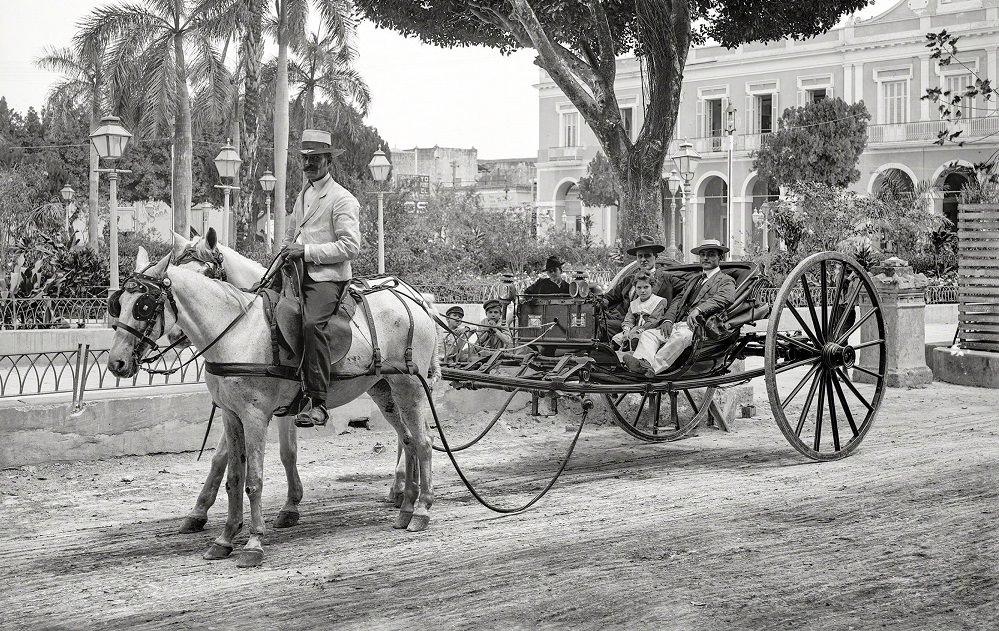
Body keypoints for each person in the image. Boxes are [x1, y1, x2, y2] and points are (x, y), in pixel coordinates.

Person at [282, 129, 361, 428]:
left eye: (315, 159)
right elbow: (293, 232)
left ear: (329, 161)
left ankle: (318, 402)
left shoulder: (342, 199)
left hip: (327, 277)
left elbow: (350, 247)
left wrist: (305, 251)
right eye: (304, 159)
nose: (308, 165)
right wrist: (284, 254)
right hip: (298, 270)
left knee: (311, 324)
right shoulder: (305, 193)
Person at [628, 239, 736, 376]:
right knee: (649, 334)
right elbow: (678, 300)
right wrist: (668, 320)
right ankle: (641, 362)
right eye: (702, 255)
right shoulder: (695, 280)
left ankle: (652, 370)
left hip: (700, 327)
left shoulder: (725, 280)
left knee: (680, 337)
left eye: (711, 254)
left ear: (720, 257)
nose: (705, 258)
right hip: (679, 323)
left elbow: (725, 298)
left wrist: (699, 309)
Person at [602, 235, 685, 339]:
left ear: (655, 256)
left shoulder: (667, 279)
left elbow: (686, 290)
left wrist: (669, 317)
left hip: (648, 324)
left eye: (647, 256)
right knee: (592, 320)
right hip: (624, 320)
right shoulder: (629, 279)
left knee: (601, 326)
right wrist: (601, 301)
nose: (643, 260)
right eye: (640, 256)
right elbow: (610, 296)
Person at [611, 271, 667, 351]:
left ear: (652, 287)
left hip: (650, 330)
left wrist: (637, 331)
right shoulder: (634, 303)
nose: (642, 291)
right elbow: (629, 319)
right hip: (634, 330)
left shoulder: (658, 301)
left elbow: (654, 321)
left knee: (637, 339)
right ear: (635, 288)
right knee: (617, 338)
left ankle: (635, 356)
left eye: (646, 287)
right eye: (639, 288)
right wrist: (626, 330)